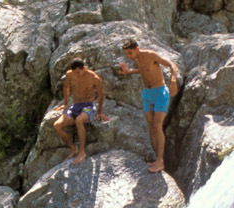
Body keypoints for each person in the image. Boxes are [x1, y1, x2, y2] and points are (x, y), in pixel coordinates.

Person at [116, 39, 178, 173]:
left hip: (160, 92)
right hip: (147, 94)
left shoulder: (150, 54)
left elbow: (171, 64)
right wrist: (128, 72)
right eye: (127, 54)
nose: (129, 56)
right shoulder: (137, 59)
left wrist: (173, 79)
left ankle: (161, 160)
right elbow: (143, 71)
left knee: (157, 125)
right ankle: (157, 159)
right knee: (151, 127)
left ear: (137, 48)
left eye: (130, 53)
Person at [53, 58, 107, 163]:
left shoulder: (93, 77)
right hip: (75, 106)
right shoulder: (69, 74)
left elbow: (100, 95)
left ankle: (82, 151)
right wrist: (65, 104)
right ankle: (73, 148)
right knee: (57, 125)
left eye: (79, 72)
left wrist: (99, 112)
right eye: (75, 72)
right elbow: (66, 87)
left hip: (89, 106)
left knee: (79, 120)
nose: (77, 75)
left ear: (84, 68)